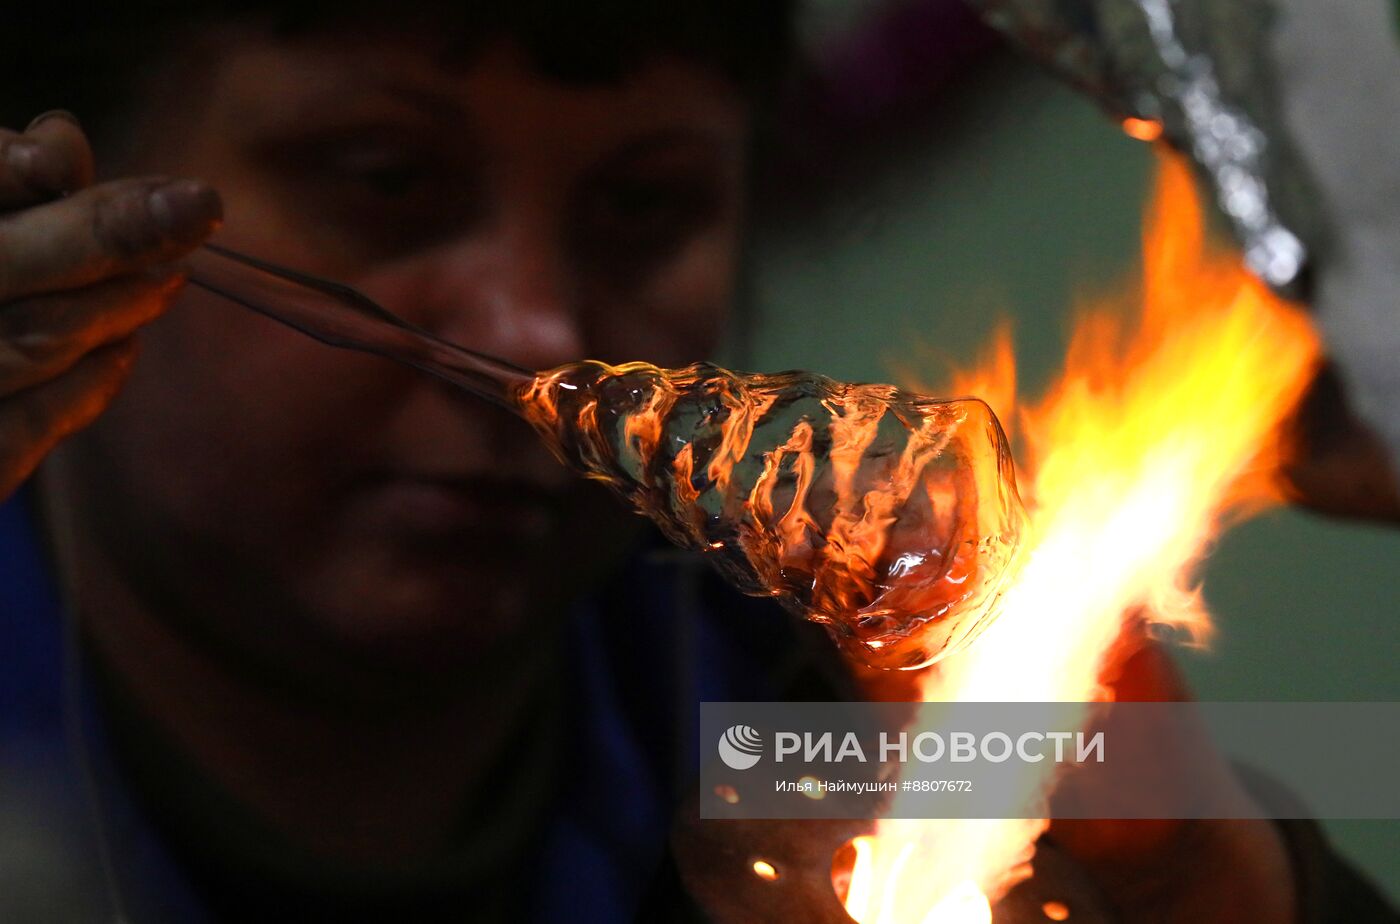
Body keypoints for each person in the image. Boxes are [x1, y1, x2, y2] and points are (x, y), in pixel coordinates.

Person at [0, 2, 1391, 922]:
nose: (536, 325)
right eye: (384, 178)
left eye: (647, 204)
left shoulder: (775, 717)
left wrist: (1208, 885)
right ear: (77, 181)